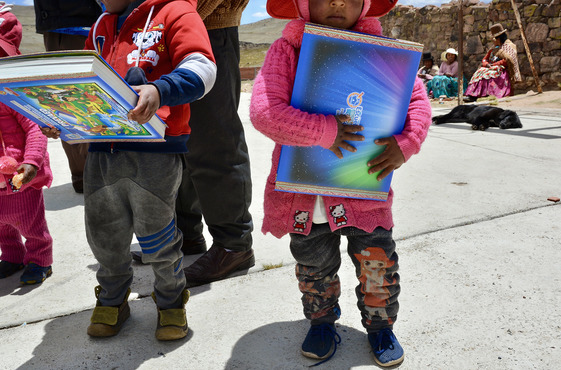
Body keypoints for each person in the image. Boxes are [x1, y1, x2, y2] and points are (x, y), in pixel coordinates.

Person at [250, 0, 431, 367]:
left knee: (377, 262)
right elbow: (265, 112)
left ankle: (380, 326)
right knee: (314, 267)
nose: (336, 2)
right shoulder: (289, 50)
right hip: (306, 194)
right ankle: (321, 322)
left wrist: (408, 141)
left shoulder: (384, 55)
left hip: (364, 190)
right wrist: (325, 130)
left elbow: (417, 102)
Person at [82, 0, 216, 341]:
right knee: (104, 233)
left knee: (156, 234)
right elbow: (84, 82)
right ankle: (113, 298)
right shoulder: (100, 26)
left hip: (155, 151)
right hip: (101, 150)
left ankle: (171, 300)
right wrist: (61, 114)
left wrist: (161, 90)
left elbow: (203, 67)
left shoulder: (175, 12)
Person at [177, 0, 255, 287]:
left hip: (209, 29)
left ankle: (234, 245)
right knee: (178, 139)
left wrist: (177, 18)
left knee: (215, 141)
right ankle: (186, 234)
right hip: (171, 33)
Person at [0, 6, 54, 285]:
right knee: (1, 226)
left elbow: (35, 128)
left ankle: (39, 259)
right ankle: (11, 256)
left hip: (21, 176)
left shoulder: (14, 93)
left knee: (30, 222)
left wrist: (31, 162)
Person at [33, 0, 103, 194]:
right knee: (74, 100)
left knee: (73, 99)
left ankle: (84, 176)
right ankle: (87, 176)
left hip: (71, 21)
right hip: (70, 21)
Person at [465, 23, 521, 101]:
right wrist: (487, 64)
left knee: (490, 73)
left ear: (499, 39)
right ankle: (474, 94)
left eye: (495, 38)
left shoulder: (509, 46)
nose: (494, 40)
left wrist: (494, 65)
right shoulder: (494, 49)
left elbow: (507, 60)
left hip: (501, 69)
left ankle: (490, 93)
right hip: (490, 67)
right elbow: (485, 59)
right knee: (479, 72)